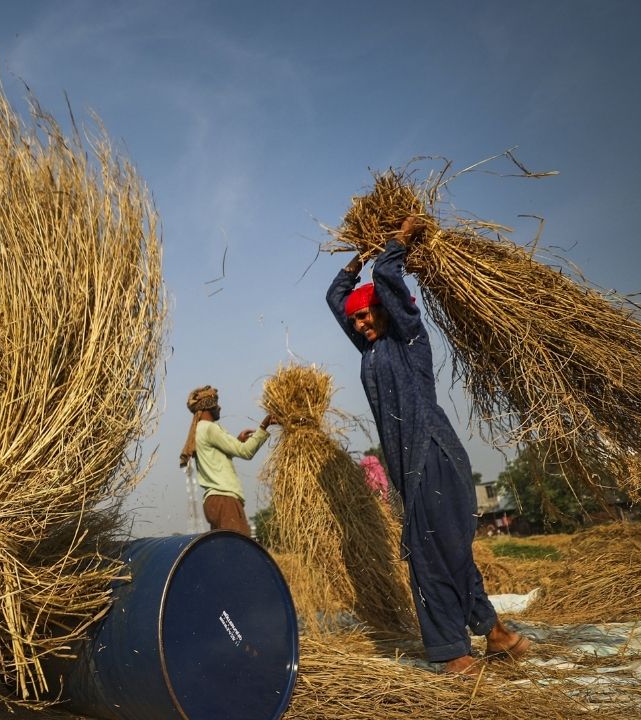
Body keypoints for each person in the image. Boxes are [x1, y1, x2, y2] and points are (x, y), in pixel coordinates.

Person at [326, 219, 530, 675]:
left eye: (366, 315)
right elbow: (336, 296)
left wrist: (397, 239)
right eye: (355, 320)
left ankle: (452, 651)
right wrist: (359, 257)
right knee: (448, 550)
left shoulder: (409, 339)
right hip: (408, 466)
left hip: (433, 453)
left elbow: (387, 277)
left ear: (386, 310)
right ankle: (495, 633)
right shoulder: (370, 350)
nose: (359, 323)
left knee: (429, 553)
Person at [179, 385, 276, 537]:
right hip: (225, 500)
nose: (219, 407)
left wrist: (237, 441)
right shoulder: (210, 428)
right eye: (216, 404)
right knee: (239, 547)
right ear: (208, 406)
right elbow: (246, 452)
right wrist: (265, 425)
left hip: (213, 502)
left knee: (225, 548)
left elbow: (216, 458)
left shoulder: (199, 430)